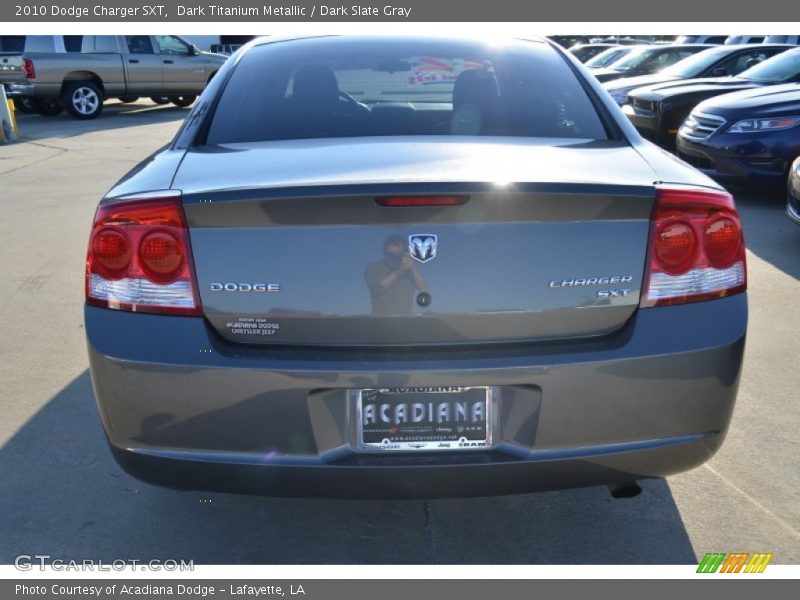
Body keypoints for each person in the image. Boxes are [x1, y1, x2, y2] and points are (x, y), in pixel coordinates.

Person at [364, 235, 427, 316]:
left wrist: (413, 266)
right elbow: (376, 288)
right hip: (380, 320)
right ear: (385, 251)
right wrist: (400, 271)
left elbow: (423, 287)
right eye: (390, 254)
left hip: (405, 319)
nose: (393, 257)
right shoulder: (374, 267)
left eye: (397, 254)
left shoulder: (409, 269)